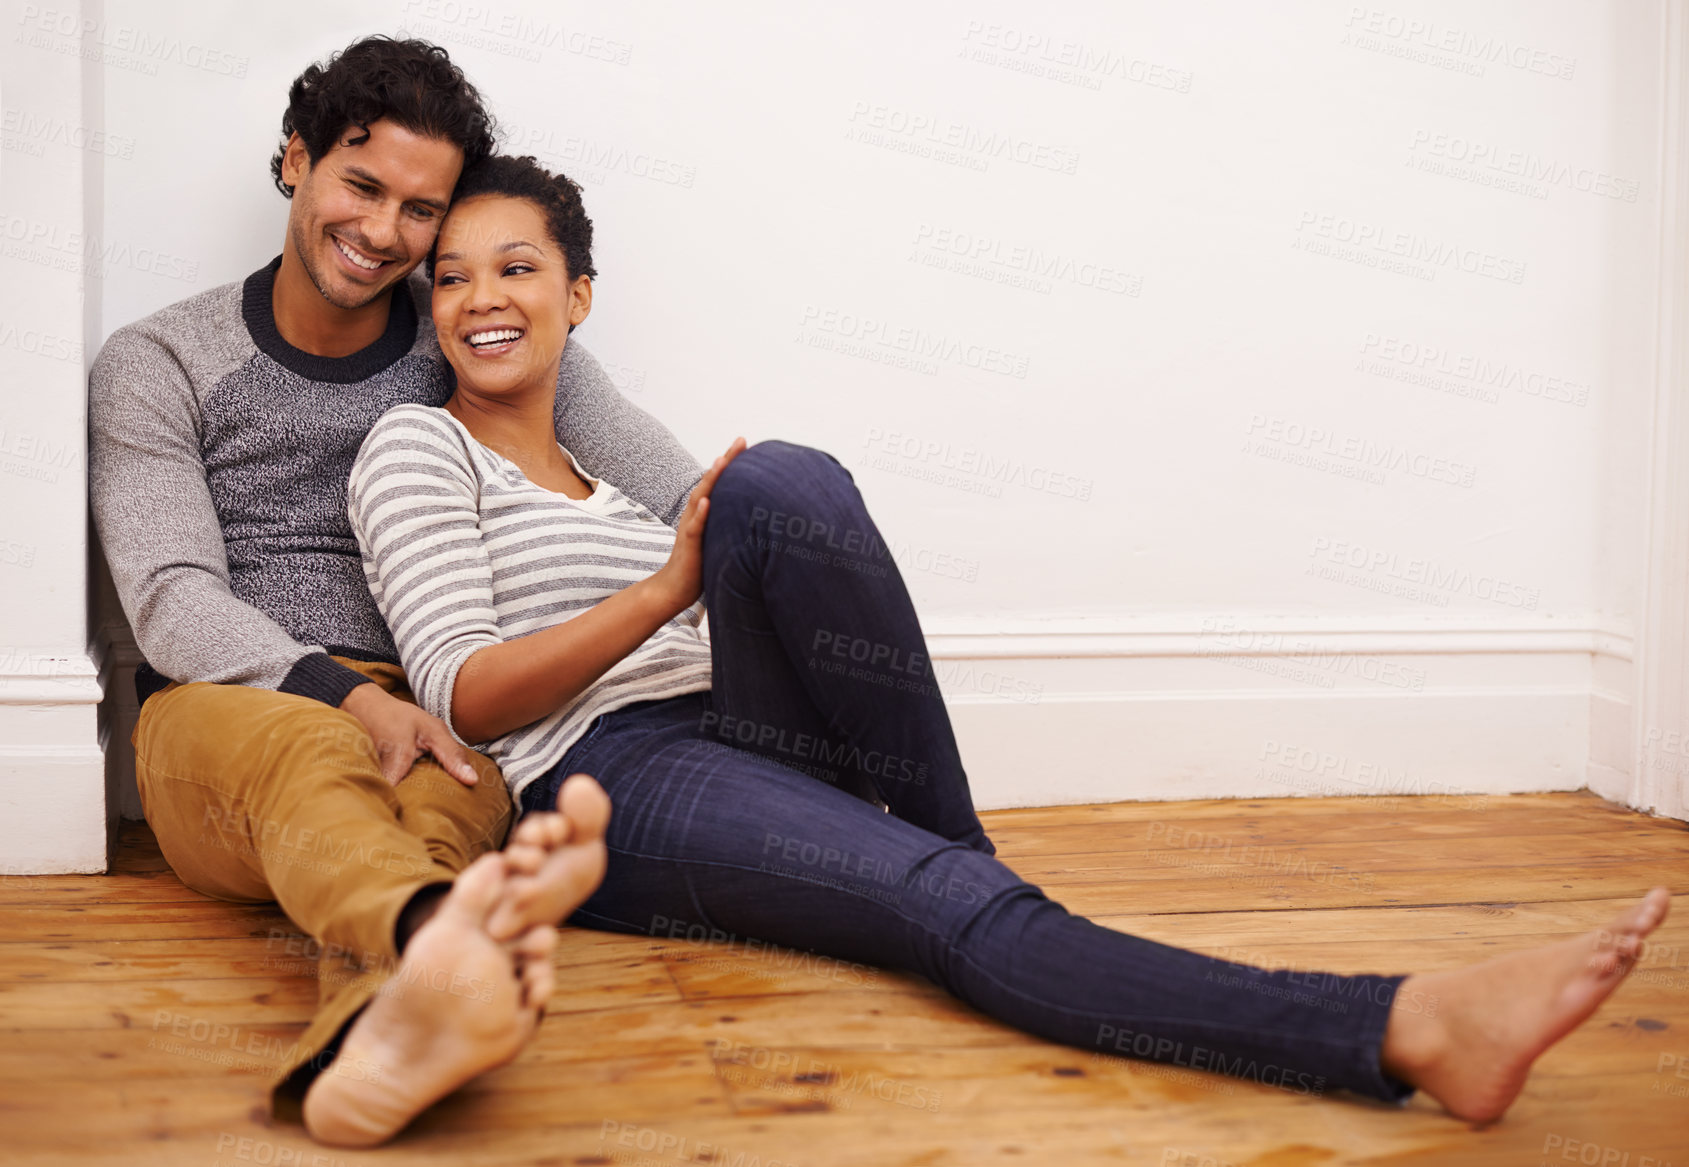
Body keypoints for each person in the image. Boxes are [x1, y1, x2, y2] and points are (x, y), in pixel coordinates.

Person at [345, 152, 1674, 1145]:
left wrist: (698, 556)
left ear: (577, 292)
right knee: (934, 898)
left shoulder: (613, 468)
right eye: (448, 275)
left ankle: (961, 865)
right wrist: (666, 589)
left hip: (731, 718)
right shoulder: (414, 446)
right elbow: (464, 686)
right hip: (615, 778)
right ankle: (1400, 1022)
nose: (478, 298)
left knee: (778, 478)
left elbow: (753, 540)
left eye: (514, 265)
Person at [86, 36, 696, 1142]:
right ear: (295, 163)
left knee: (430, 816)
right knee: (320, 757)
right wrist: (351, 697)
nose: (383, 234)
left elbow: (678, 492)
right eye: (361, 185)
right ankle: (437, 945)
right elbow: (171, 599)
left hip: (446, 710)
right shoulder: (160, 361)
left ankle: (397, 1022)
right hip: (227, 712)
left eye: (422, 211)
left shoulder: (475, 330)